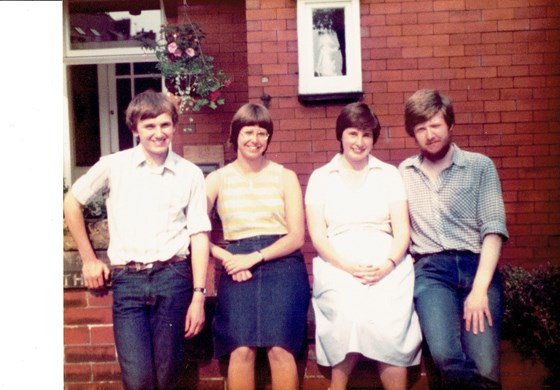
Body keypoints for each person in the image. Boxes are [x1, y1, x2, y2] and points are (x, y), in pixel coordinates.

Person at [63, 90, 211, 390]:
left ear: (174, 125)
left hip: (173, 279)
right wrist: (89, 259)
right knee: (138, 377)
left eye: (165, 125)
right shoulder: (113, 165)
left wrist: (198, 296)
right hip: (128, 282)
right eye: (150, 126)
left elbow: (199, 233)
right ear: (135, 129)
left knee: (168, 375)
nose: (159, 133)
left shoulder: (190, 173)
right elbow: (72, 202)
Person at [305, 102, 422, 390]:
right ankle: (338, 386)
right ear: (341, 135)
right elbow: (318, 236)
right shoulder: (321, 177)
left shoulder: (389, 174)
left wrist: (387, 266)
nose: (360, 142)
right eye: (353, 133)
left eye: (367, 135)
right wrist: (346, 266)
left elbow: (402, 232)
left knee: (388, 314)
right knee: (349, 308)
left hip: (386, 262)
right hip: (338, 263)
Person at [399, 89, 509, 389]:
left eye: (434, 125)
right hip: (432, 272)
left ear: (450, 124)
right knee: (445, 358)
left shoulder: (479, 166)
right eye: (420, 129)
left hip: (477, 267)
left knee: (485, 365)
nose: (429, 134)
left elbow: (493, 230)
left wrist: (480, 290)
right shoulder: (404, 173)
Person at [205, 103, 310, 390]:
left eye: (262, 133)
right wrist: (225, 257)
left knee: (280, 348)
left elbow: (296, 236)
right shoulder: (217, 179)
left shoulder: (284, 176)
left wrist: (255, 257)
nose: (255, 139)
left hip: (282, 263)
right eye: (248, 132)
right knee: (241, 349)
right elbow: (193, 230)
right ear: (235, 135)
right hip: (237, 265)